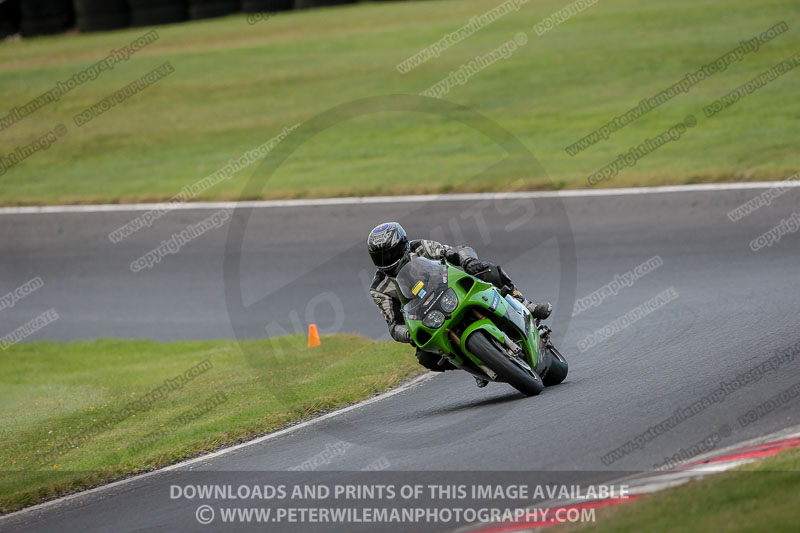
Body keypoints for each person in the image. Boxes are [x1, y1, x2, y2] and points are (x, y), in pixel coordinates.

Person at [367, 222, 551, 386]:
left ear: (404, 245)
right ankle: (474, 364)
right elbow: (393, 325)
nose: (388, 260)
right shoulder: (379, 288)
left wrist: (468, 261)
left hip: (452, 290)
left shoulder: (420, 248)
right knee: (425, 356)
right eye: (381, 257)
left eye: (391, 252)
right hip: (428, 317)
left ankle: (527, 305)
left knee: (487, 270)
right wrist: (409, 334)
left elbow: (455, 250)